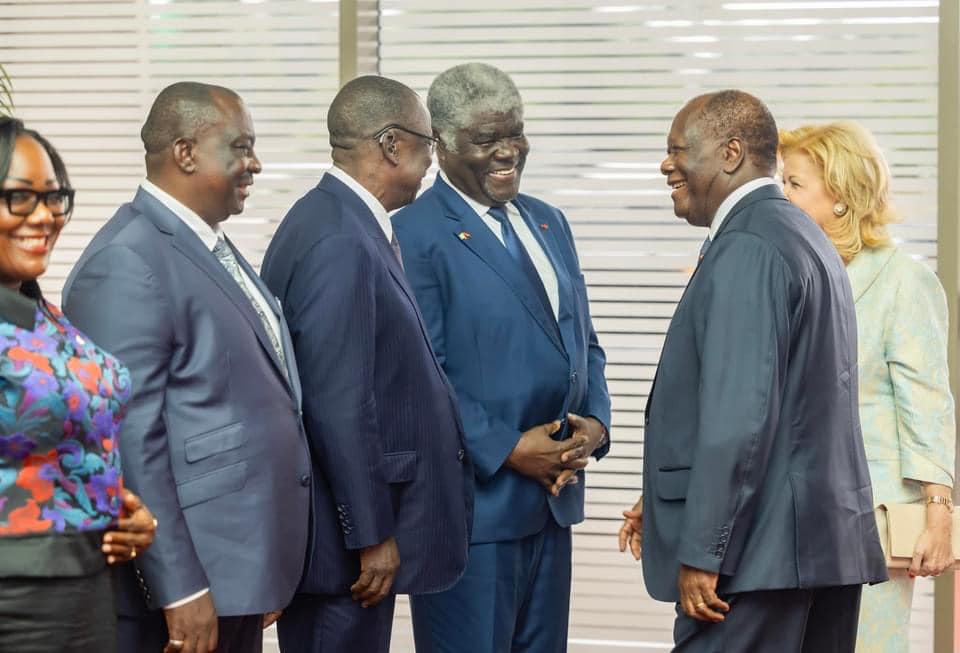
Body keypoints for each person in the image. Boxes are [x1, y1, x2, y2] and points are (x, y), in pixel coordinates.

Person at [617, 91, 888, 651]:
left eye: (677, 150)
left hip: (756, 559)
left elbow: (739, 417)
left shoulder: (747, 246)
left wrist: (705, 548)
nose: (666, 165)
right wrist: (667, 503)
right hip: (813, 550)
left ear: (731, 152)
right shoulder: (801, 233)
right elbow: (793, 410)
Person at [62, 82, 312, 653]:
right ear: (186, 153)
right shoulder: (127, 260)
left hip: (236, 567)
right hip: (186, 583)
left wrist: (264, 565)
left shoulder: (207, 243)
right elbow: (127, 439)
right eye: (241, 147)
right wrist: (179, 588)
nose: (255, 164)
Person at [392, 62, 611, 653]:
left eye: (515, 133)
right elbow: (422, 376)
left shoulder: (549, 221)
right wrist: (509, 449)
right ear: (440, 144)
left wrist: (595, 425)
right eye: (487, 139)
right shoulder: (412, 234)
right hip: (474, 517)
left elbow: (584, 341)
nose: (508, 151)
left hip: (554, 504)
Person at [259, 74, 472, 653]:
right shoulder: (339, 238)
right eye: (428, 143)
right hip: (343, 553)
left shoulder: (340, 220)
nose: (433, 160)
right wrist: (371, 532)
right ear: (391, 144)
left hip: (345, 541)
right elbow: (337, 400)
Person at [780, 121, 955, 652]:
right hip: (786, 514)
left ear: (841, 196)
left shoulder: (904, 280)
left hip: (870, 517)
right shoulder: (788, 272)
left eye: (794, 183)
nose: (780, 194)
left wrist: (939, 511)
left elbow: (926, 401)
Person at [0, 116, 157, 652]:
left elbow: (53, 445)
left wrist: (118, 510)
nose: (44, 215)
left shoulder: (44, 317)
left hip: (86, 590)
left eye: (54, 197)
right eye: (20, 197)